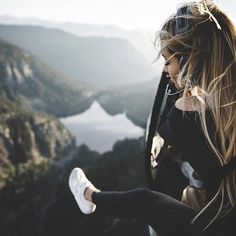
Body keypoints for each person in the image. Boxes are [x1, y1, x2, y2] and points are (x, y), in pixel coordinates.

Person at [68, 1, 236, 235]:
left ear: (191, 61)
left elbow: (167, 128)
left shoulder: (183, 114)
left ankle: (88, 195)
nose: (166, 71)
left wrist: (184, 87)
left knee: (145, 201)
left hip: (221, 225)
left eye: (168, 61)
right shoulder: (225, 106)